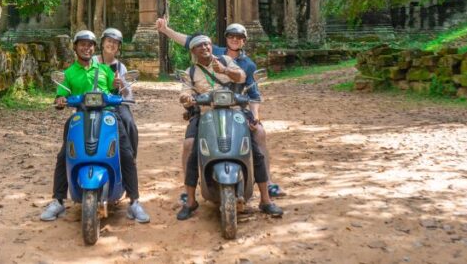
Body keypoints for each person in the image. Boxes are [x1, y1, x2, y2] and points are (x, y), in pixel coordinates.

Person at [157, 18, 287, 199]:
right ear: (225, 39)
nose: (235, 40)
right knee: (189, 144)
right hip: (206, 110)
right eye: (231, 36)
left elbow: (253, 93)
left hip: (235, 108)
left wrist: (255, 117)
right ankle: (189, 191)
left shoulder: (244, 64)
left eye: (239, 37)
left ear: (244, 41)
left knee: (259, 134)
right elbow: (189, 41)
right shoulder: (213, 52)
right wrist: (165, 30)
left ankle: (268, 184)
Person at [39, 29, 150, 223]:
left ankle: (134, 202)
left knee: (125, 153)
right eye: (82, 44)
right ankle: (57, 200)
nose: (86, 48)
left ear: (94, 48)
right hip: (80, 117)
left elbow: (117, 94)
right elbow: (60, 96)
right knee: (64, 154)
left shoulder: (105, 70)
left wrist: (117, 87)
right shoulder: (69, 73)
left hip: (108, 116)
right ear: (75, 47)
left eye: (90, 45)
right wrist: (61, 100)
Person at [176, 34, 283, 220]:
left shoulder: (225, 60)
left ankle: (265, 199)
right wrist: (188, 98)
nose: (205, 47)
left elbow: (241, 77)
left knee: (254, 149)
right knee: (192, 148)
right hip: (205, 113)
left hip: (234, 110)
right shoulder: (190, 72)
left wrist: (225, 70)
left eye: (207, 44)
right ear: (193, 51)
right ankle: (191, 200)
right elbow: (184, 92)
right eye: (199, 46)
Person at [95, 27, 138, 158]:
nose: (111, 44)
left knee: (129, 122)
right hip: (94, 101)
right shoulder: (92, 62)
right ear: (102, 43)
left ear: (119, 47)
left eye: (115, 42)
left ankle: (131, 156)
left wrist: (121, 85)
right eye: (109, 41)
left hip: (116, 102)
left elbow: (128, 95)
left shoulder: (121, 67)